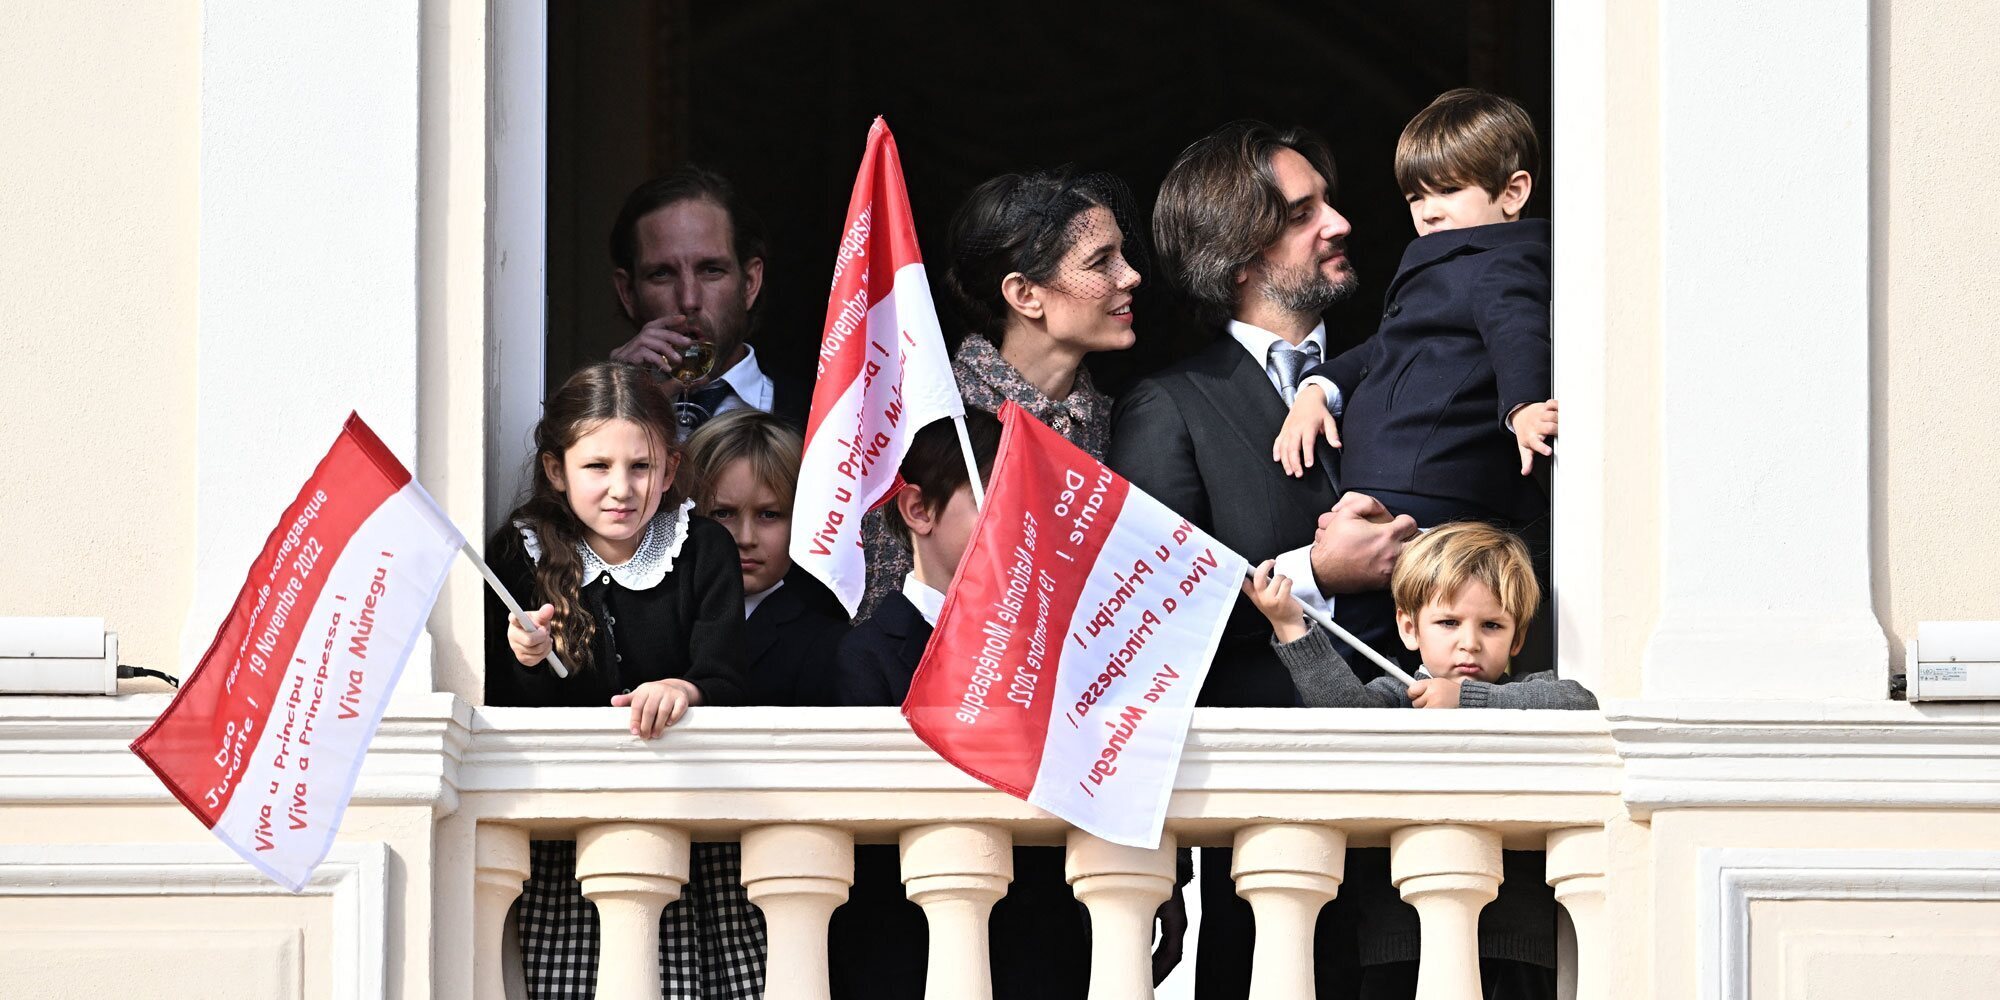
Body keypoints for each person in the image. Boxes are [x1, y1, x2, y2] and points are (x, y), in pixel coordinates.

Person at [1110, 121, 1419, 1000]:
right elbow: (1158, 623)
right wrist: (1320, 574)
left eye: (1328, 200)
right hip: (1271, 823)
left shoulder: (1399, 369)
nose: (1341, 222)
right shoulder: (1170, 407)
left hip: (1424, 801)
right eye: (1302, 212)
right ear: (1239, 254)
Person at [484, 361, 762, 999]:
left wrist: (684, 691)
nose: (621, 488)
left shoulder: (701, 549)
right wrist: (524, 660)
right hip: (573, 839)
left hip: (688, 832)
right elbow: (509, 711)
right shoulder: (518, 556)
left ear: (669, 468)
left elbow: (727, 677)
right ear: (557, 471)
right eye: (596, 467)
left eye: (640, 467)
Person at [1244, 521, 1593, 1000]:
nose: (1468, 642)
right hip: (1400, 934)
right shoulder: (1398, 695)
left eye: (1491, 625)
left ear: (1517, 638)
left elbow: (1578, 702)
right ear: (1409, 627)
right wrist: (1290, 625)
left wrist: (1466, 699)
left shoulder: (1525, 694)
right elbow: (1348, 718)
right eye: (1448, 623)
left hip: (1518, 940)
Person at [1272, 88, 1557, 671]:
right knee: (1413, 629)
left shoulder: (1500, 260)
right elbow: (1386, 347)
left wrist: (1522, 406)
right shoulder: (1447, 260)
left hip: (1439, 483)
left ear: (1513, 192)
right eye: (1415, 196)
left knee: (1450, 620)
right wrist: (1316, 389)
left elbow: (1517, 328)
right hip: (1406, 485)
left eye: (1448, 191)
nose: (1428, 210)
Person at [856, 166, 1143, 621]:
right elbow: (886, 618)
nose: (1130, 276)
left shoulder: (1124, 422)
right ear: (1025, 294)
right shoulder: (927, 424)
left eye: (1122, 256)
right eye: (1099, 262)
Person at [606, 166, 811, 430]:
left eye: (711, 270)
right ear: (628, 294)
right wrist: (608, 405)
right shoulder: (595, 420)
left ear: (749, 283)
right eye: (662, 274)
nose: (689, 300)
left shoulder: (823, 422)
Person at [684, 408, 849, 706]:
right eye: (723, 513)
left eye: (769, 514)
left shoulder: (828, 643)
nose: (745, 538)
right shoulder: (654, 613)